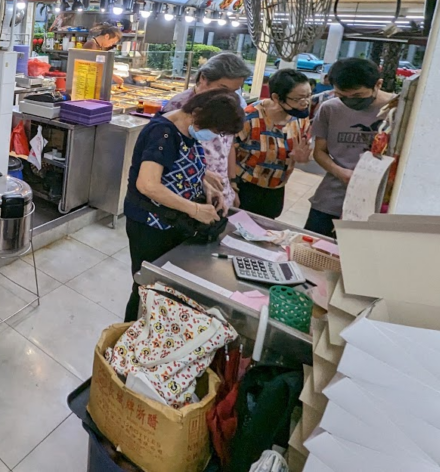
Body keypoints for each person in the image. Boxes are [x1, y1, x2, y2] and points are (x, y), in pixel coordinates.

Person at [123, 90, 246, 321]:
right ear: (197, 113)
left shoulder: (189, 131)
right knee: (146, 286)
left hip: (172, 222)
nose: (214, 136)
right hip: (151, 225)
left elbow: (179, 165)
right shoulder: (163, 133)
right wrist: (196, 209)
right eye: (216, 130)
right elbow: (148, 184)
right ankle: (130, 336)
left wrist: (206, 184)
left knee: (166, 288)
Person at [306, 58, 395, 237]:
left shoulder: (398, 110)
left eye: (357, 96)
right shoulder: (329, 109)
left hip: (377, 205)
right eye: (341, 95)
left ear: (378, 84)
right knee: (311, 248)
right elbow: (319, 152)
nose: (349, 101)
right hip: (331, 199)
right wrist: (340, 172)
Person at [166, 52, 252, 210]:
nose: (228, 95)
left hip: (221, 190)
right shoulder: (179, 107)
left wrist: (232, 184)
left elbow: (229, 145)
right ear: (203, 78)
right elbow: (168, 159)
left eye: (234, 90)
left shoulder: (230, 105)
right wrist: (201, 174)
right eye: (223, 88)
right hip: (187, 192)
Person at [232, 69, 312, 219]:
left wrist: (302, 159)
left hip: (276, 187)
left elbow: (301, 153)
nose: (305, 102)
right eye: (298, 98)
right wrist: (232, 185)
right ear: (276, 97)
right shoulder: (249, 117)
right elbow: (229, 150)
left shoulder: (300, 118)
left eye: (308, 96)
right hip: (245, 186)